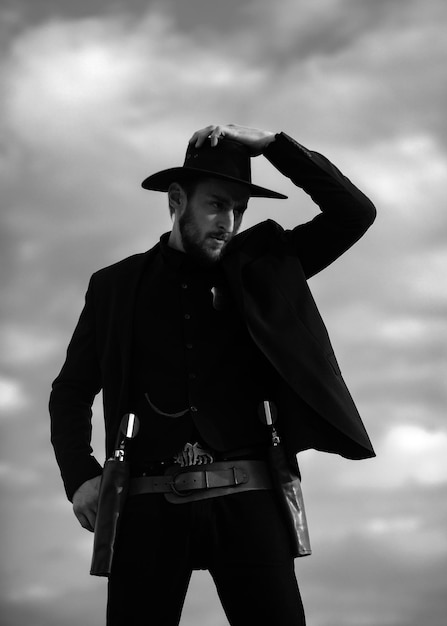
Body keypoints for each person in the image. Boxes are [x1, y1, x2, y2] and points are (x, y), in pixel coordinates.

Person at [49, 123, 376, 625]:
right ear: (176, 199)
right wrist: (79, 476)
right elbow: (70, 391)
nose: (229, 221)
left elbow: (355, 213)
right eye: (217, 204)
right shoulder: (114, 286)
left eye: (239, 210)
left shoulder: (266, 266)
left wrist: (274, 146)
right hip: (145, 507)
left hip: (250, 499)